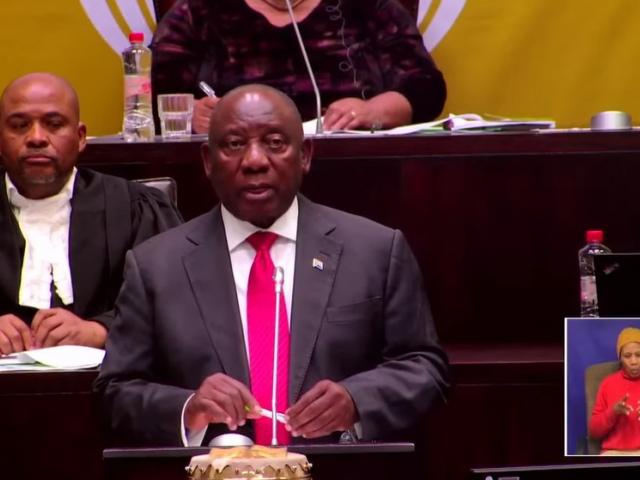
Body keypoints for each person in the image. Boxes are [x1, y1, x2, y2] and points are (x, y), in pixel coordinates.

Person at [95, 84, 448, 446]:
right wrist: (188, 409)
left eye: (275, 143)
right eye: (234, 144)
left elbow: (423, 366)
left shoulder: (375, 251)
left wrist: (357, 401)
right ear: (207, 161)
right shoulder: (155, 266)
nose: (254, 161)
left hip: (335, 469)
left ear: (305, 155)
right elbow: (117, 389)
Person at [0, 72, 182, 354]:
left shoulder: (135, 208)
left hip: (110, 379)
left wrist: (101, 330)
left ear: (81, 137)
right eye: (20, 125)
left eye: (54, 124)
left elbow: (177, 301)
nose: (36, 138)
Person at [151, 0, 447, 133]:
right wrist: (189, 115)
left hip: (347, 162)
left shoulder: (368, 6)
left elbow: (426, 87)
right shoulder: (200, 10)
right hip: (238, 167)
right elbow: (152, 95)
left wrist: (373, 111)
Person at [589, 327, 640, 455]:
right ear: (620, 358)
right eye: (627, 356)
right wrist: (613, 412)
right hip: (614, 452)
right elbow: (594, 432)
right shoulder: (608, 384)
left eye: (639, 355)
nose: (634, 361)